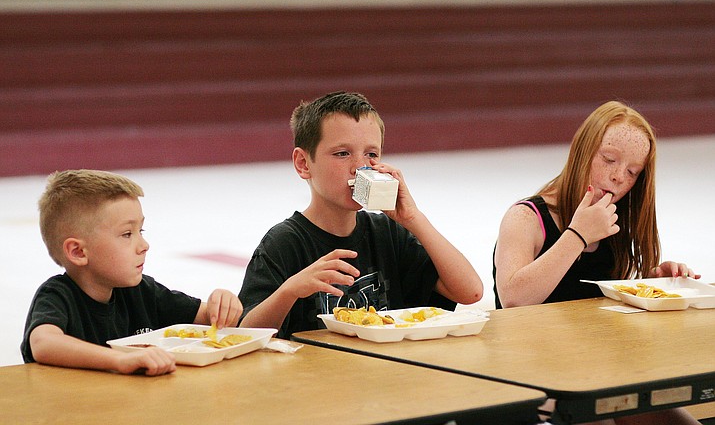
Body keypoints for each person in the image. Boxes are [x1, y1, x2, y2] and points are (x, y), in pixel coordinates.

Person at [493, 101, 700, 425]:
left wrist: (653, 283)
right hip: (535, 372)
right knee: (596, 414)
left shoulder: (615, 221)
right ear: (582, 152)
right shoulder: (526, 217)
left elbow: (601, 304)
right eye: (608, 160)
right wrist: (576, 234)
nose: (618, 177)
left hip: (602, 367)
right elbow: (514, 298)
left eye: (632, 172)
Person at [238, 91, 483, 339]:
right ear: (303, 163)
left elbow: (470, 292)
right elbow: (247, 334)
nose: (360, 167)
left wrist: (413, 219)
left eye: (371, 154)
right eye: (342, 153)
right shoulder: (284, 243)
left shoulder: (387, 233)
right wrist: (289, 291)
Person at [22, 169, 242, 376]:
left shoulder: (141, 291)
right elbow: (44, 344)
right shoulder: (57, 295)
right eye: (127, 234)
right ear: (78, 251)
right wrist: (120, 360)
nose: (144, 245)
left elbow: (207, 318)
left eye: (141, 230)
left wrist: (221, 305)